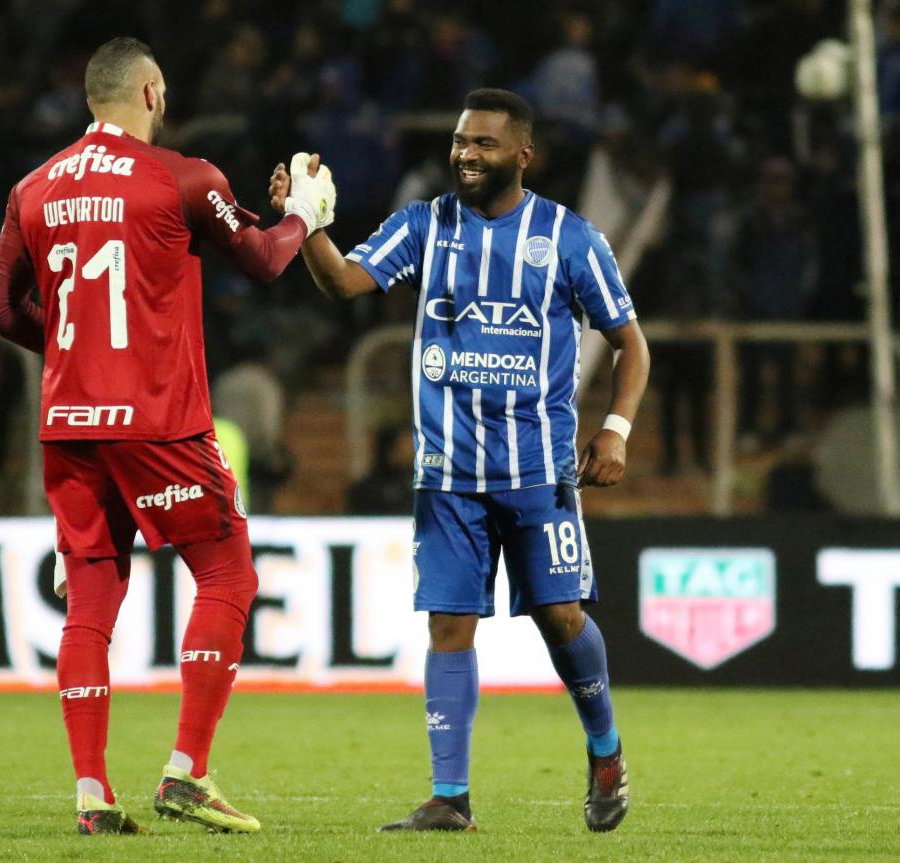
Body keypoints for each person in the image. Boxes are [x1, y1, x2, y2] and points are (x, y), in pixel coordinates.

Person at [269, 88, 649, 833]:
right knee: (448, 625)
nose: (466, 155)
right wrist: (305, 223)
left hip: (540, 471)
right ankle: (451, 797)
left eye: (483, 144)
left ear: (522, 155)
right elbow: (345, 280)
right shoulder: (426, 225)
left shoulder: (569, 237)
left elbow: (631, 342)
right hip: (447, 474)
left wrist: (615, 429)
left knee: (561, 615)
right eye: (460, 141)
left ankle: (605, 749)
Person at [0, 36, 335, 835]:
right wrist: (303, 216)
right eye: (163, 95)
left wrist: (77, 350)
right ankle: (187, 771)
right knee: (227, 571)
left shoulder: (32, 188)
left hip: (67, 424)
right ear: (150, 94)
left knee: (92, 596)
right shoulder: (180, 175)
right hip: (154, 421)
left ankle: (91, 794)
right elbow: (263, 261)